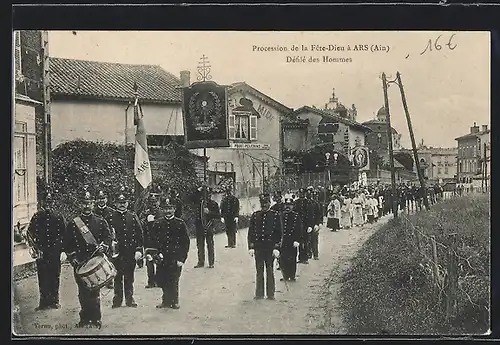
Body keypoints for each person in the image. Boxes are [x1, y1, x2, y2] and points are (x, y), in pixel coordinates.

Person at [63, 190, 113, 329]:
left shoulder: (100, 221)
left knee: (95, 290)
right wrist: (72, 257)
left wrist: (105, 246)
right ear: (80, 204)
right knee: (83, 292)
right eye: (84, 203)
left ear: (93, 204)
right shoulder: (73, 224)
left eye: (89, 203)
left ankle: (96, 318)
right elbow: (67, 244)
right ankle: (84, 318)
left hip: (95, 261)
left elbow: (108, 237)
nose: (87, 206)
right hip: (80, 262)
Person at [27, 192, 66, 310]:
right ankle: (43, 302)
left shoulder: (59, 217)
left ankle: (54, 301)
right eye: (46, 201)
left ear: (53, 202)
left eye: (50, 201)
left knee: (54, 275)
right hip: (41, 251)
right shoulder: (37, 217)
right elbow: (30, 232)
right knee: (42, 276)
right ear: (42, 202)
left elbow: (64, 234)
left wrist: (63, 251)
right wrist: (33, 248)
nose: (48, 204)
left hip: (55, 251)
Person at [149, 197, 190, 309]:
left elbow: (185, 243)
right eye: (165, 209)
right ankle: (165, 300)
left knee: (174, 279)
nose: (168, 211)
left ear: (174, 209)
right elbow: (153, 240)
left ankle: (174, 300)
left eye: (170, 208)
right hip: (162, 257)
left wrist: (182, 259)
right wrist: (155, 255)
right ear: (162, 210)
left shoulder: (180, 224)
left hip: (175, 257)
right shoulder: (158, 223)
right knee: (163, 278)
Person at [109, 194, 144, 308]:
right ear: (116, 204)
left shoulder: (132, 216)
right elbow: (106, 234)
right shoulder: (111, 217)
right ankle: (117, 299)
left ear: (128, 203)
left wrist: (139, 250)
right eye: (119, 202)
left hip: (130, 251)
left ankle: (130, 299)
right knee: (117, 276)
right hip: (116, 252)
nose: (122, 205)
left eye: (124, 202)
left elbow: (139, 234)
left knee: (129, 276)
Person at [248, 193, 283, 300]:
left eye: (266, 203)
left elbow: (279, 233)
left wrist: (277, 247)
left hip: (270, 248)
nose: (264, 206)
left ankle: (270, 293)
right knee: (259, 271)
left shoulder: (275, 215)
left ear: (269, 203)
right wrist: (251, 247)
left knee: (269, 270)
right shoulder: (255, 215)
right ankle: (259, 293)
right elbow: (251, 233)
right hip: (258, 248)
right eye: (262, 203)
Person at [93, 190, 116, 289]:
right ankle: (97, 280)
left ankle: (109, 280)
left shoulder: (111, 211)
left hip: (108, 238)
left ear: (106, 199)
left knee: (109, 258)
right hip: (96, 238)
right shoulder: (93, 211)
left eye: (103, 198)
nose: (101, 200)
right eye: (99, 198)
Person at [194, 186, 220, 268]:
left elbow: (218, 215)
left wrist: (209, 212)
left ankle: (211, 262)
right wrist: (199, 189)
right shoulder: (199, 203)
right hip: (199, 226)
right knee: (200, 245)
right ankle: (201, 262)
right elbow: (191, 198)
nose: (207, 196)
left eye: (208, 194)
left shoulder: (213, 204)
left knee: (210, 244)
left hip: (209, 226)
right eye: (205, 194)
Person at [279, 194, 302, 281]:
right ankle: (285, 275)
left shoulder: (296, 216)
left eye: (290, 206)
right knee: (283, 258)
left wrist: (297, 240)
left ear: (292, 206)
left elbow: (299, 229)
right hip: (283, 240)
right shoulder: (281, 215)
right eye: (286, 205)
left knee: (292, 258)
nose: (288, 207)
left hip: (292, 240)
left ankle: (292, 275)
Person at [141, 193, 162, 288]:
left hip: (159, 239)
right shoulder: (145, 213)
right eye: (151, 202)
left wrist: (155, 221)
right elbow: (140, 224)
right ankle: (151, 281)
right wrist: (146, 221)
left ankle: (159, 280)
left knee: (159, 260)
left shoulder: (162, 212)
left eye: (155, 202)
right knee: (149, 261)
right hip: (148, 239)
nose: (153, 204)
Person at [293, 188, 314, 264]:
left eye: (302, 193)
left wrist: (310, 225)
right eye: (300, 193)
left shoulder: (308, 203)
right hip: (298, 225)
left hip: (305, 225)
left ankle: (305, 258)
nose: (301, 195)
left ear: (304, 194)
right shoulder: (296, 202)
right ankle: (300, 257)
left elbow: (311, 215)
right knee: (299, 241)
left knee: (305, 242)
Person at [307, 188, 322, 260]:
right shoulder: (304, 203)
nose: (309, 195)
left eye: (310, 194)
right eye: (307, 194)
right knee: (307, 240)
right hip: (306, 225)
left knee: (314, 240)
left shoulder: (315, 204)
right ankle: (308, 254)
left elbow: (319, 214)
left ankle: (315, 254)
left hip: (314, 224)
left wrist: (318, 224)